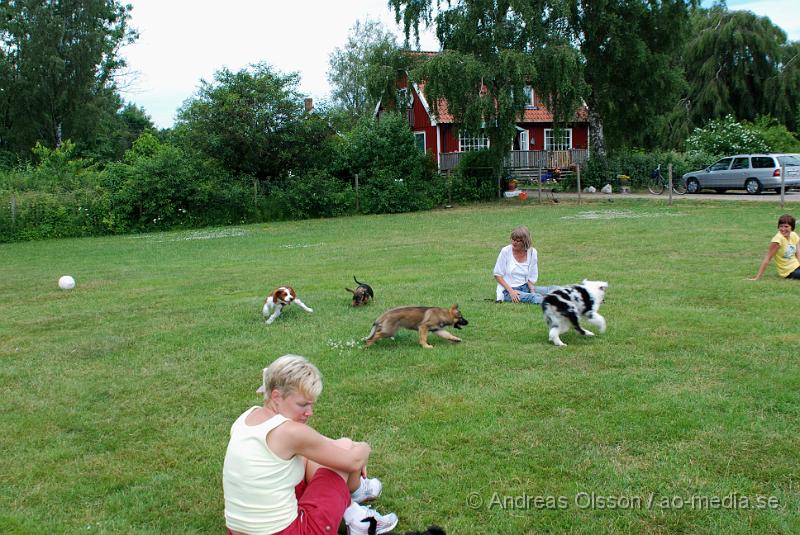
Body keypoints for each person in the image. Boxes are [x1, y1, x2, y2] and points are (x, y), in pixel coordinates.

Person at [223, 355, 398, 535]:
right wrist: (364, 448)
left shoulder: (246, 418)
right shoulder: (291, 432)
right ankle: (355, 512)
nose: (309, 412)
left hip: (238, 531)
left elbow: (319, 443)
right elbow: (352, 461)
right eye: (302, 404)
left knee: (328, 451)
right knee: (344, 449)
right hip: (290, 532)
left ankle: (352, 504)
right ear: (276, 396)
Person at [493, 225, 561, 303]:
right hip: (507, 291)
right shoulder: (505, 251)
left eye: (518, 241)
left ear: (525, 241)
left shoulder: (532, 252)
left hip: (525, 286)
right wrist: (511, 292)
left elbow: (531, 276)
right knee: (533, 297)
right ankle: (558, 302)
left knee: (552, 289)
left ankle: (572, 293)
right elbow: (497, 275)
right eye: (513, 239)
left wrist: (532, 289)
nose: (514, 243)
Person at [750, 214, 800, 280]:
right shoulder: (777, 240)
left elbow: (798, 254)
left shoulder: (794, 235)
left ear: (792, 227)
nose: (783, 229)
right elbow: (767, 258)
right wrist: (757, 277)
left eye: (786, 226)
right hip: (788, 272)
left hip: (797, 266)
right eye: (781, 226)